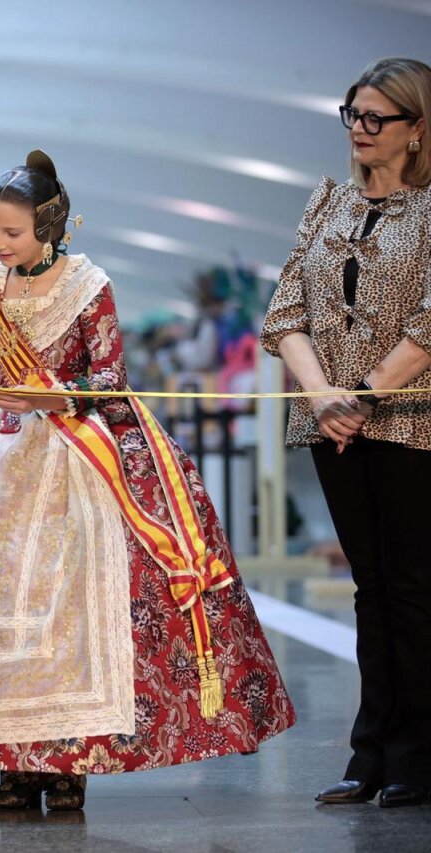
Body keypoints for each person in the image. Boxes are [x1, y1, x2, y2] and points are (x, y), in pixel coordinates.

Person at [0, 151, 294, 811]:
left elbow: (109, 379)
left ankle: (65, 757)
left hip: (73, 447)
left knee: (66, 608)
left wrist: (54, 395)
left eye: (12, 233)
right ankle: (14, 755)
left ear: (49, 230)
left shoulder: (90, 285)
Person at [261, 56, 431, 809]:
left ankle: (415, 756)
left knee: (413, 590)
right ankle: (369, 751)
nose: (359, 130)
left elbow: (430, 322)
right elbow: (285, 311)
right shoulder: (326, 201)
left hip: (408, 420)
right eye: (352, 115)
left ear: (416, 130)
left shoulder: (430, 212)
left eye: (376, 118)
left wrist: (363, 394)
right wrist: (325, 393)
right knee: (370, 590)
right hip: (330, 421)